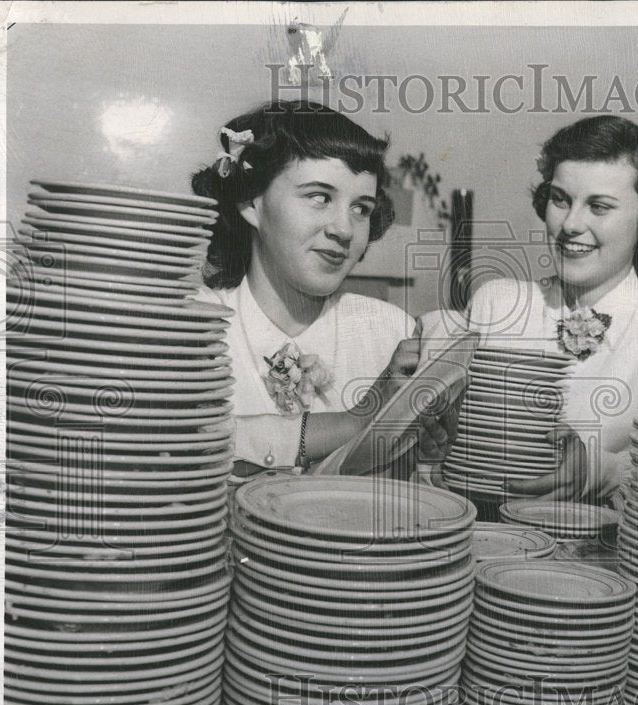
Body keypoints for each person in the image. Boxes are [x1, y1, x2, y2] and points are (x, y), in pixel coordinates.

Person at [464, 115, 638, 503]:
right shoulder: (497, 303)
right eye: (560, 199)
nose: (570, 224)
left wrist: (606, 472)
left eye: (599, 207)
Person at [191, 101, 449, 475]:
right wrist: (360, 419)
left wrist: (429, 452)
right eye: (320, 197)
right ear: (250, 201)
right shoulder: (193, 326)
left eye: (361, 208)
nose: (344, 230)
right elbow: (178, 444)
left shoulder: (392, 330)